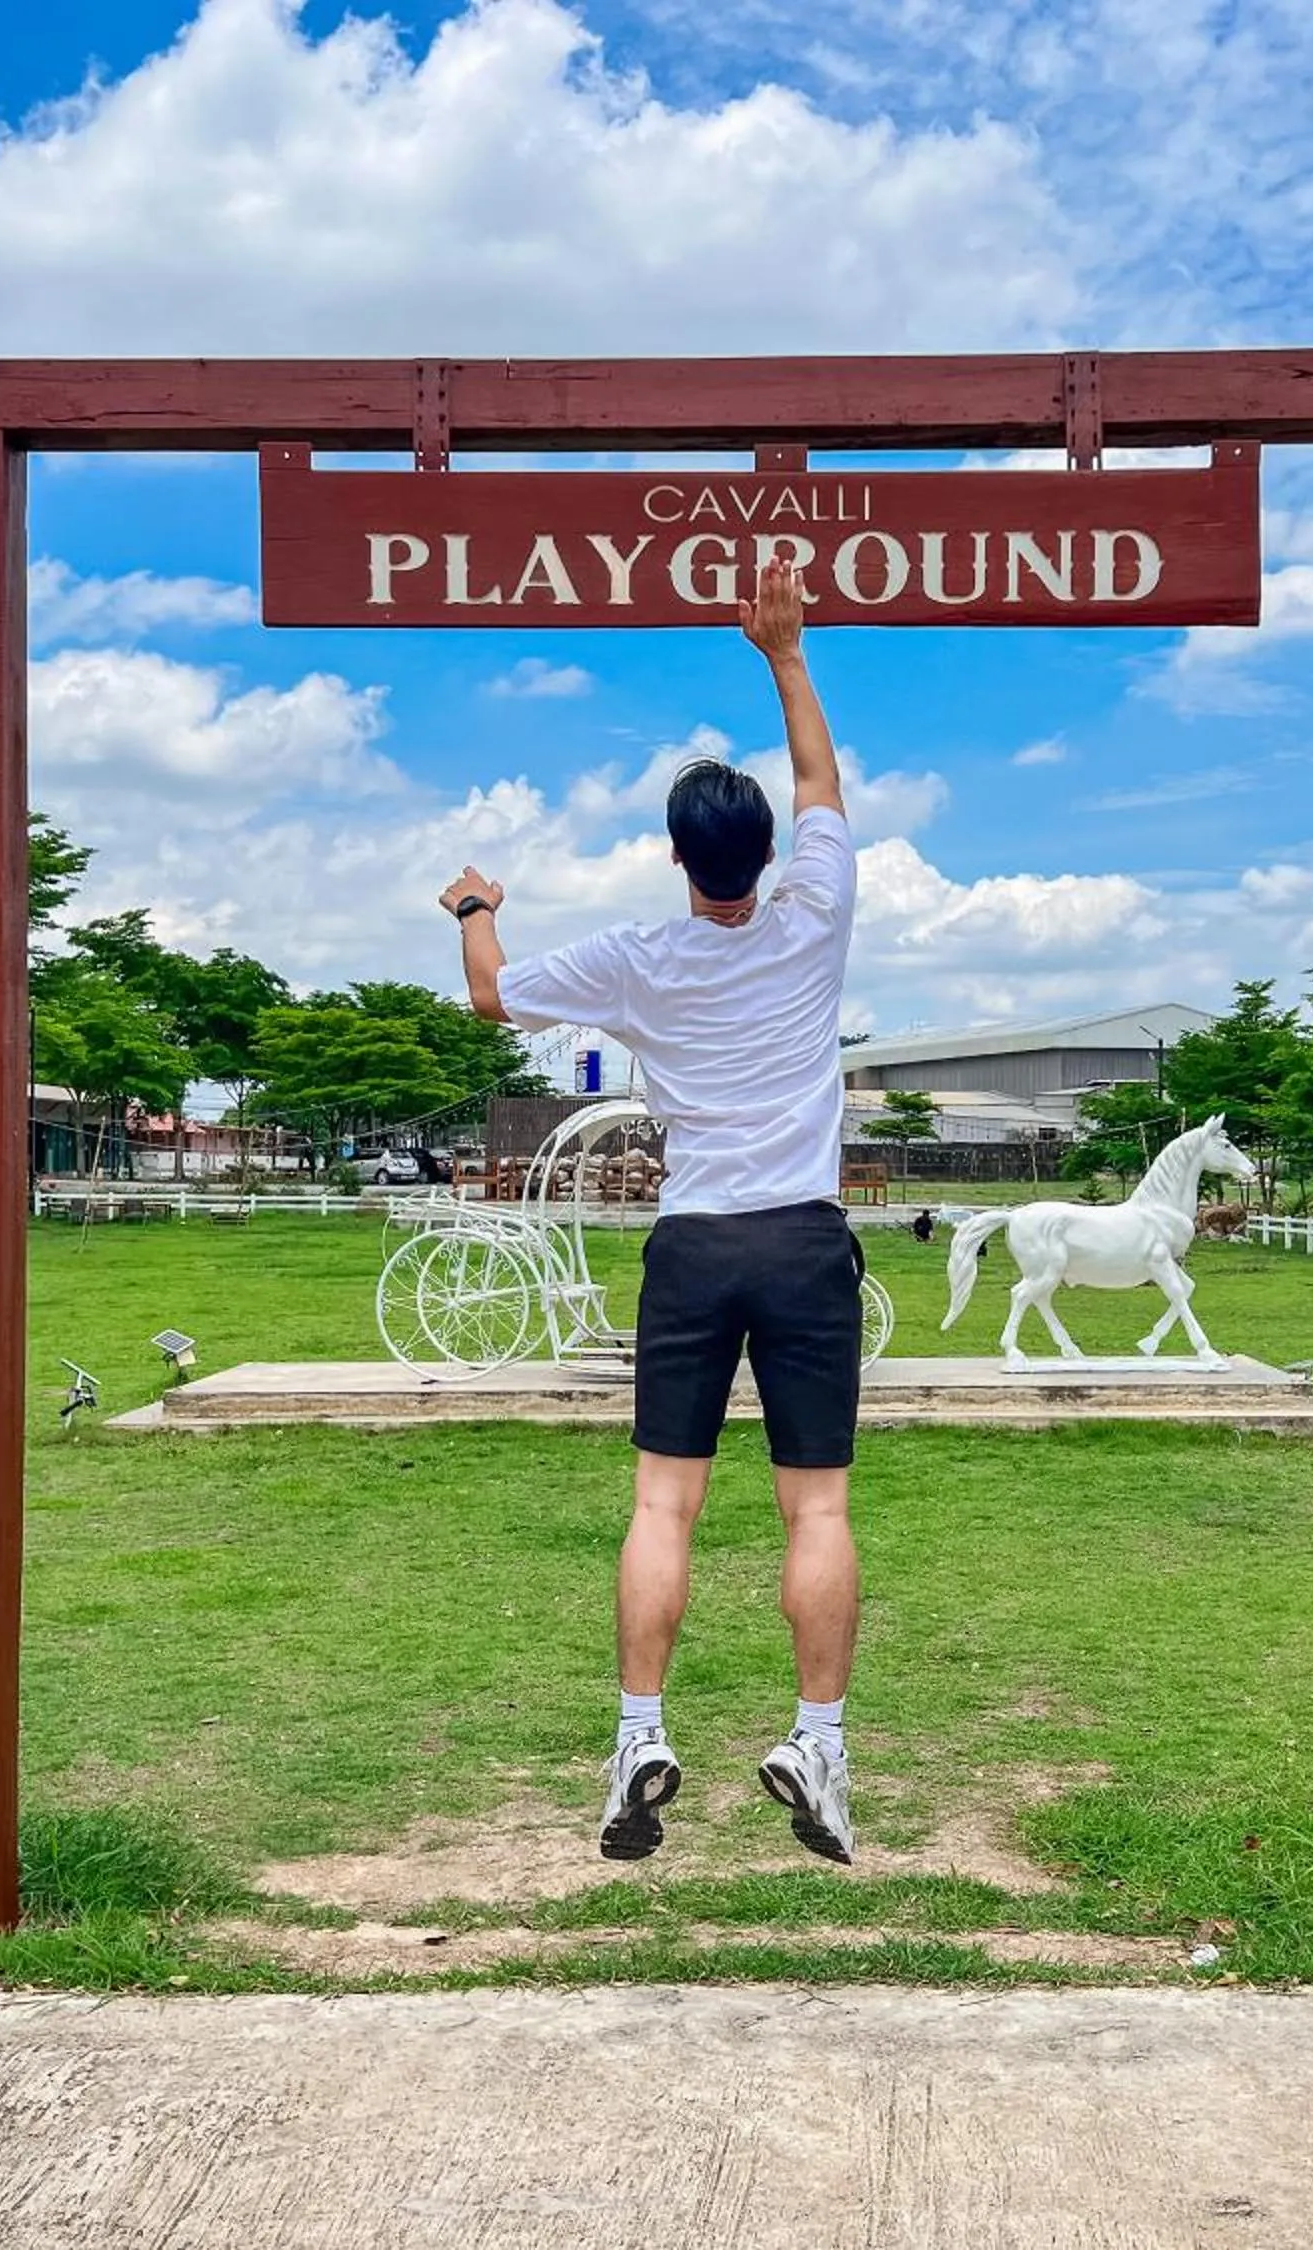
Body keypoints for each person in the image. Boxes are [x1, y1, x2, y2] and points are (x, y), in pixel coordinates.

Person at [440, 557, 863, 1865]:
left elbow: (494, 999)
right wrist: (782, 652)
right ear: (767, 859)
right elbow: (822, 789)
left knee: (663, 1507)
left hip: (692, 1245)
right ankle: (821, 1750)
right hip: (802, 1237)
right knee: (821, 1511)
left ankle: (639, 1734)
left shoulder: (637, 956)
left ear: (679, 858)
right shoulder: (816, 914)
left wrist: (474, 909)